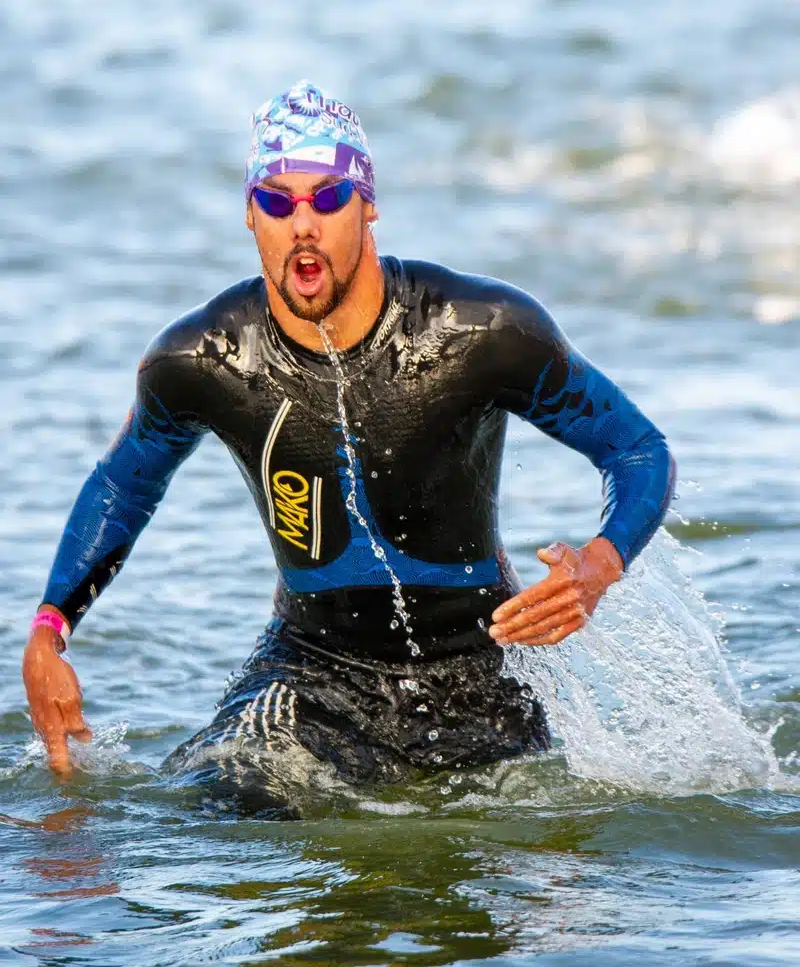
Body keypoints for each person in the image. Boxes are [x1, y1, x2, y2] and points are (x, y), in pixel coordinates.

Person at [23, 80, 675, 811]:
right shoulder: (201, 361)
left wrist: (599, 564)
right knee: (204, 812)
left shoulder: (481, 333)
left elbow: (638, 449)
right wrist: (49, 632)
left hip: (482, 669)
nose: (303, 224)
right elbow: (123, 485)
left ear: (367, 205)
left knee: (541, 863)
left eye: (328, 198)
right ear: (250, 215)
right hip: (311, 670)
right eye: (277, 201)